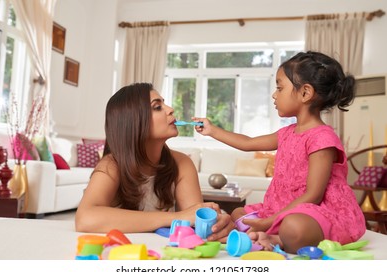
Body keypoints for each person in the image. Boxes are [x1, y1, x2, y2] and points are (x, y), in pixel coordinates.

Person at [193, 51, 366, 254]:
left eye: (280, 87)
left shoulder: (322, 139)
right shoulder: (286, 133)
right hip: (281, 208)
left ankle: (275, 236)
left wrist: (271, 221)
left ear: (305, 93)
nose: (274, 95)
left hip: (315, 210)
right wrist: (212, 130)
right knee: (238, 212)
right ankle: (270, 235)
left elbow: (314, 195)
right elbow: (248, 143)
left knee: (293, 227)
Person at [75, 83, 233, 242]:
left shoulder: (182, 164)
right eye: (157, 107)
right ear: (134, 121)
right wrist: (174, 217)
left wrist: (217, 224)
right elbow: (85, 219)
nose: (170, 109)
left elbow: (194, 221)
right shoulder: (111, 165)